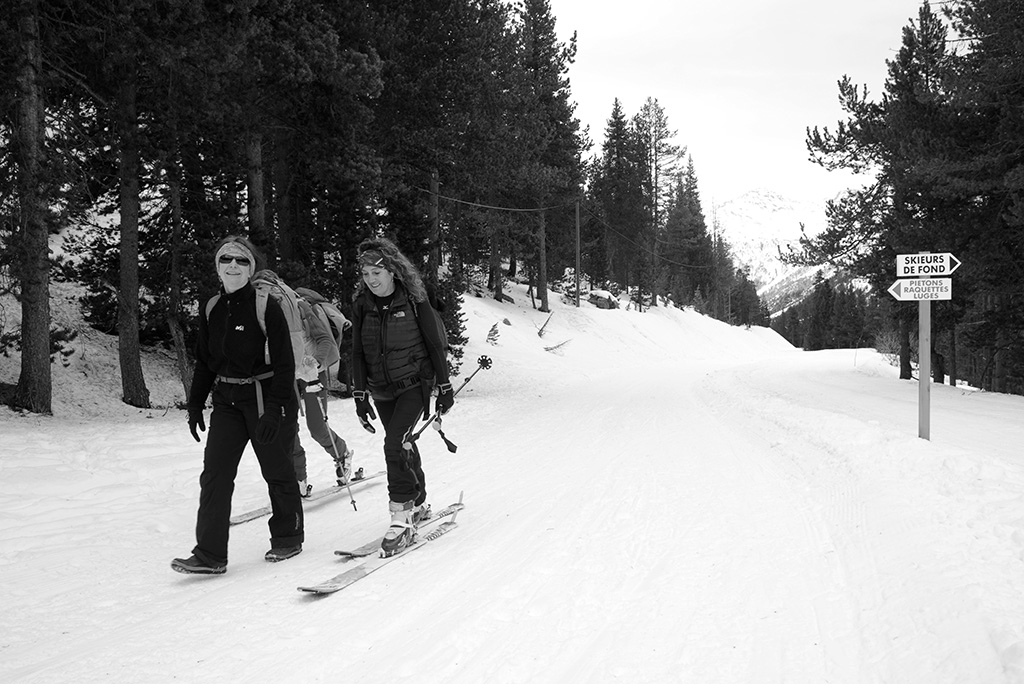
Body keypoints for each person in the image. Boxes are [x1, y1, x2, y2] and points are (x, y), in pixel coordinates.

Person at [172, 236, 304, 575]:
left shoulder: (265, 306)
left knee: (276, 469)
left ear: (251, 268)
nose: (233, 266)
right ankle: (209, 554)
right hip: (227, 401)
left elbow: (286, 364)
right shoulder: (212, 306)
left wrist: (275, 409)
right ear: (217, 267)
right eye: (226, 260)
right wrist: (195, 403)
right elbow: (205, 360)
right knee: (215, 475)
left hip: (264, 397)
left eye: (241, 261)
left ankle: (288, 536)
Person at [350, 237, 454, 556]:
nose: (371, 279)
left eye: (376, 272)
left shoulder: (413, 299)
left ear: (392, 271)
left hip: (413, 385)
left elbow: (435, 343)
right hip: (382, 390)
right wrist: (359, 392)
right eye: (366, 273)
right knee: (403, 443)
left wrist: (445, 386)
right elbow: (356, 350)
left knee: (394, 443)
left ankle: (401, 515)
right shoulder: (362, 304)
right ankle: (419, 502)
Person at [250, 269, 354, 497]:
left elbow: (325, 340)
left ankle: (342, 454)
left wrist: (313, 365)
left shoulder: (301, 307)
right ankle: (299, 477)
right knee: (289, 429)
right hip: (285, 376)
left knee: (317, 427)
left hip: (312, 373)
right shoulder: (259, 313)